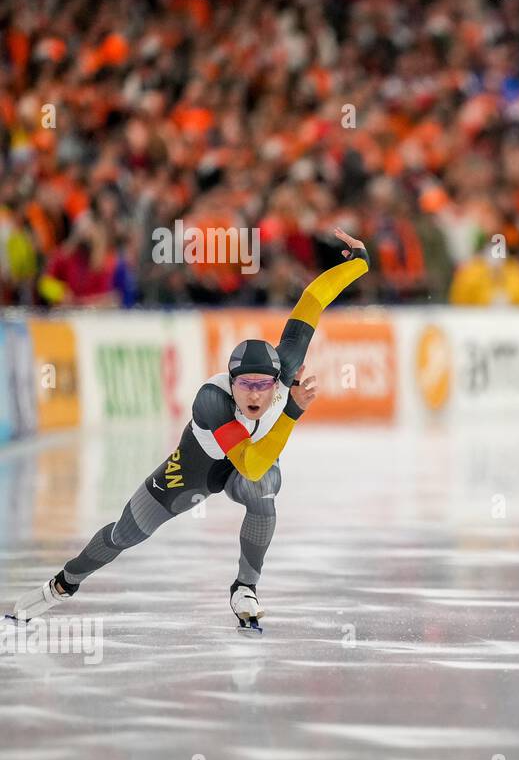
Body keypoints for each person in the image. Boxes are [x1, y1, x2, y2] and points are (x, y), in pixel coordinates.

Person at [7, 227, 370, 634]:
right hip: (197, 467)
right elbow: (248, 462)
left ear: (277, 381)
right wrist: (292, 415)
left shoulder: (286, 369)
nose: (254, 394)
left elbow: (313, 299)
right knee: (124, 534)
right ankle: (63, 583)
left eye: (263, 386)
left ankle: (245, 587)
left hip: (249, 464)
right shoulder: (211, 403)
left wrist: (359, 263)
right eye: (244, 385)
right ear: (230, 383)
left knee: (262, 494)